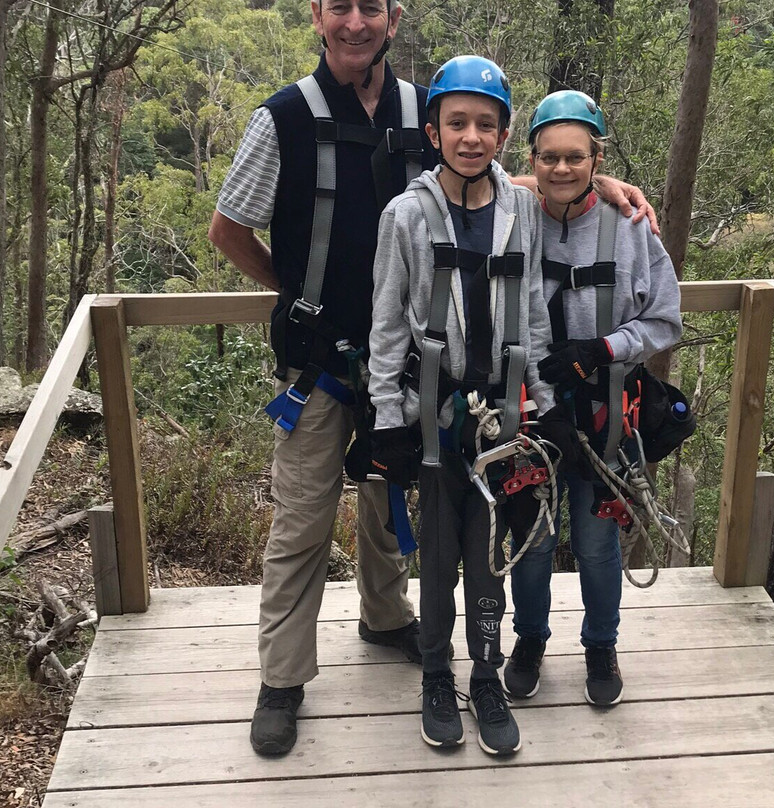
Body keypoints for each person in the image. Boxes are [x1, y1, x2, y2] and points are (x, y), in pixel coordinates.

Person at [208, 0, 657, 760]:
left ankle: (387, 620)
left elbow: (487, 175)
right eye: (340, 6)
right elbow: (228, 228)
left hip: (424, 371)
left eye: (371, 7)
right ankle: (282, 680)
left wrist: (593, 185)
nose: (356, 22)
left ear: (393, 17)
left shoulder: (426, 107)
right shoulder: (281, 117)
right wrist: (298, 295)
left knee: (390, 510)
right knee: (303, 523)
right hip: (324, 356)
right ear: (317, 15)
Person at [366, 56, 582, 757]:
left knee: (490, 556)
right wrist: (388, 420)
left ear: (504, 134)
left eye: (485, 124)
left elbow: (534, 314)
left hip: (506, 415)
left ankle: (484, 675)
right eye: (456, 122)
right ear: (432, 130)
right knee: (437, 559)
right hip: (434, 414)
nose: (470, 136)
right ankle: (437, 675)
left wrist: (546, 404)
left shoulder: (519, 208)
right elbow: (388, 325)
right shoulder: (406, 215)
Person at [503, 90, 683, 707]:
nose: (561, 169)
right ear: (533, 157)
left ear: (595, 157)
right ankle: (529, 640)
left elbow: (664, 321)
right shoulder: (513, 214)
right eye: (548, 157)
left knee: (597, 542)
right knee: (530, 536)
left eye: (576, 158)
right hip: (530, 410)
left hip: (606, 409)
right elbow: (477, 175)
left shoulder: (631, 231)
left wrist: (603, 349)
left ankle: (600, 646)